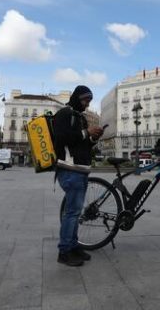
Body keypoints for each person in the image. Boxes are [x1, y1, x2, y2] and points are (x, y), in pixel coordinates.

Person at [52, 85, 104, 267]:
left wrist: (93, 137)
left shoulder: (80, 118)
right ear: (76, 97)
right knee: (72, 212)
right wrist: (86, 132)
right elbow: (61, 138)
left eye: (89, 101)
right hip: (69, 169)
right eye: (84, 100)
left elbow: (81, 144)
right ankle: (64, 251)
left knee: (75, 212)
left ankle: (73, 246)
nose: (86, 104)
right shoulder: (64, 114)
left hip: (80, 169)